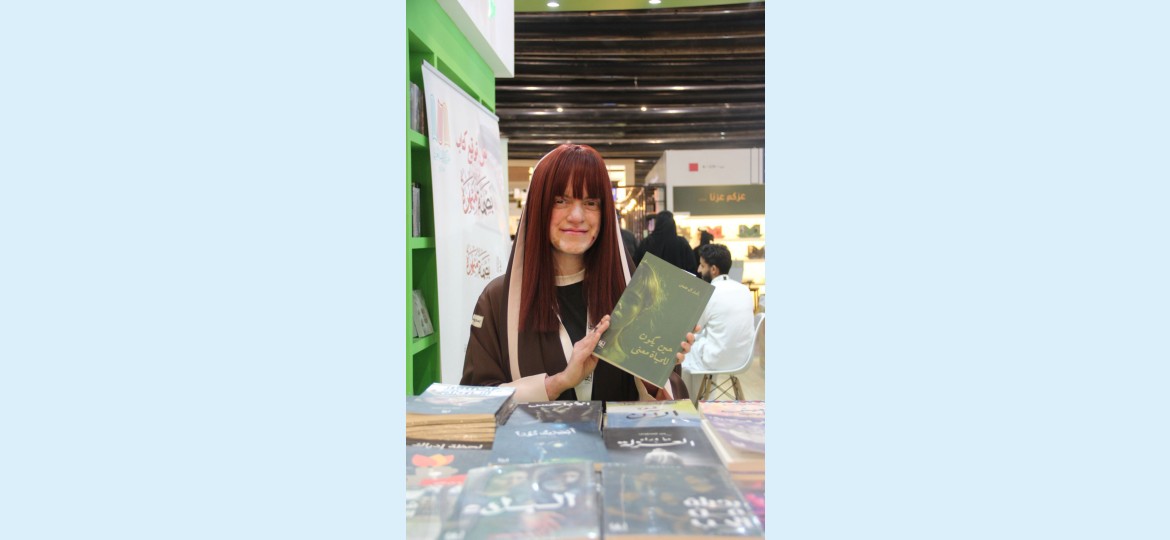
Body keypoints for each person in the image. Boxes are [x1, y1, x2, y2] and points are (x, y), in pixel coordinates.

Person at [461, 144, 693, 402]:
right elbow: (476, 400)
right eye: (560, 201)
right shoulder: (498, 300)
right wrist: (557, 383)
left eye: (591, 202)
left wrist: (652, 372)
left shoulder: (636, 294)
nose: (576, 216)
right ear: (538, 208)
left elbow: (668, 403)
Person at [681, 244, 755, 400]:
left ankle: (692, 403)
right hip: (744, 358)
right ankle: (704, 399)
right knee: (706, 339)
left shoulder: (709, 293)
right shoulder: (744, 290)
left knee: (685, 348)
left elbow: (694, 327)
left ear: (713, 269)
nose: (699, 270)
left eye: (702, 266)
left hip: (717, 360)